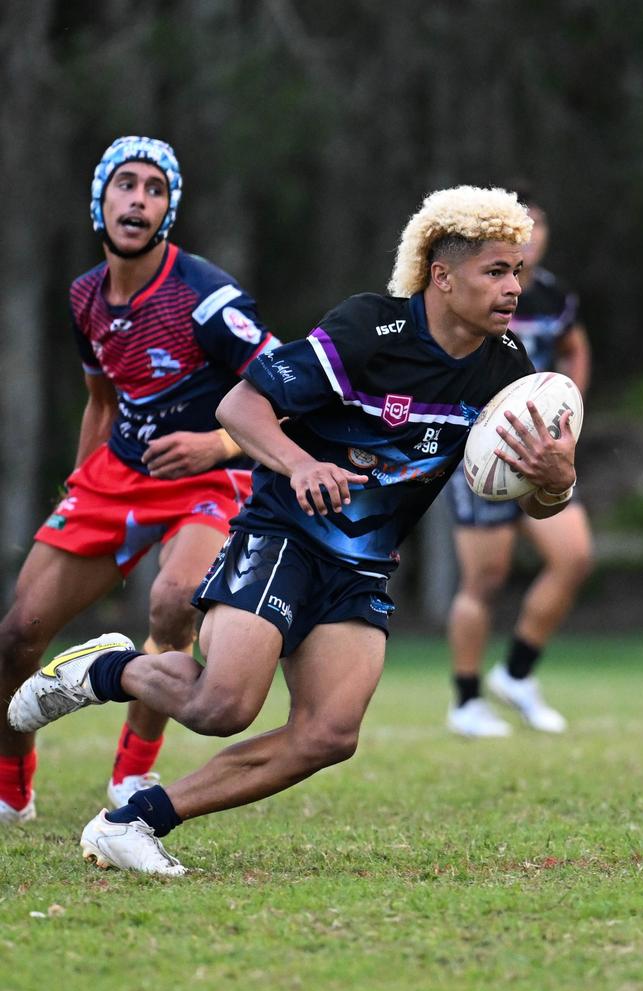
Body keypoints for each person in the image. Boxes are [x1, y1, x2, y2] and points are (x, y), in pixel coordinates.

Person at [8, 185, 579, 876]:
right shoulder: (370, 329)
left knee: (331, 733)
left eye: (517, 271)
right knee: (222, 705)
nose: (514, 287)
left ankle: (134, 822)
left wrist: (554, 479)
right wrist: (302, 463)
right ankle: (104, 669)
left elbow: (537, 507)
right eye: (497, 270)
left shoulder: (509, 372)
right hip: (284, 532)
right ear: (442, 275)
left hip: (361, 566)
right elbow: (239, 406)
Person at [0, 136, 279, 823]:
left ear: (167, 211)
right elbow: (102, 400)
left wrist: (216, 443)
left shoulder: (206, 297)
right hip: (116, 474)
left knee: (174, 602)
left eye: (155, 190)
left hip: (211, 480)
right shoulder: (84, 297)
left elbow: (285, 387)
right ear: (102, 200)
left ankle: (132, 772)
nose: (139, 199)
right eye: (127, 184)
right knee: (17, 634)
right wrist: (78, 485)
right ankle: (12, 786)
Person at [445, 192, 593, 738]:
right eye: (522, 221)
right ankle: (465, 701)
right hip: (483, 455)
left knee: (574, 557)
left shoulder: (553, 295)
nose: (533, 230)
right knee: (485, 579)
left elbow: (575, 347)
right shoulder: (473, 291)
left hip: (545, 452)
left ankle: (516, 676)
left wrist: (573, 405)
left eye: (540, 220)